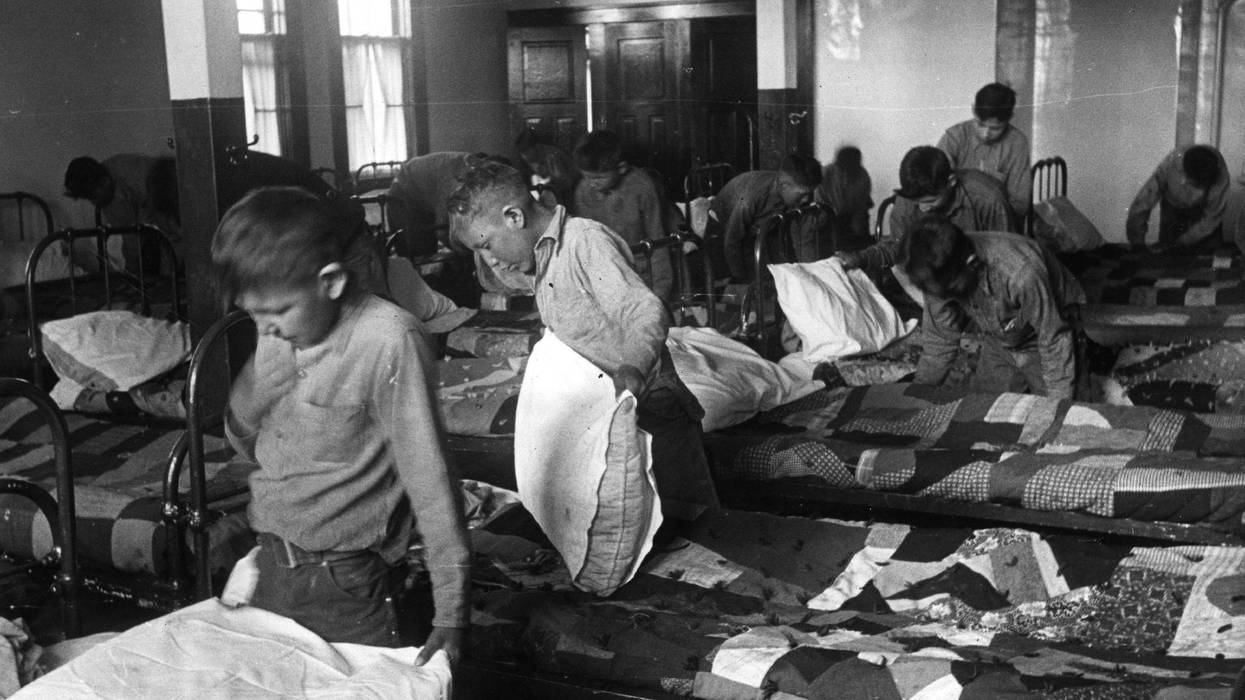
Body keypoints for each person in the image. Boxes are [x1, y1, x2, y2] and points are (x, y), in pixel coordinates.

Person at [212, 187, 470, 662]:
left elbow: (432, 482)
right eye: (252, 314)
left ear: (329, 282)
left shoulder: (388, 339)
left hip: (346, 582)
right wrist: (250, 395)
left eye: (273, 313)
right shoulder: (280, 327)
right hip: (270, 565)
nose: (263, 327)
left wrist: (450, 614)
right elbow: (250, 449)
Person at [446, 160, 719, 520]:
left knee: (698, 522)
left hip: (652, 407)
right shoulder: (542, 256)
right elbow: (507, 281)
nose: (490, 259)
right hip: (608, 409)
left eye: (487, 245)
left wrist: (632, 368)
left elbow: (644, 310)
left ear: (514, 217)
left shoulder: (584, 241)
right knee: (638, 529)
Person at [901, 215, 1084, 399]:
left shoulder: (1021, 273)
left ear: (972, 264)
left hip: (1054, 328)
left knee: (1064, 413)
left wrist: (1057, 406)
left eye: (950, 291)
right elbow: (939, 340)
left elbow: (1054, 339)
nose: (943, 298)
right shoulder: (934, 270)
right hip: (1001, 337)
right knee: (982, 411)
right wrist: (918, 395)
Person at [838, 145, 1016, 273]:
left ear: (951, 182)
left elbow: (1006, 257)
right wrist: (861, 258)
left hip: (982, 272)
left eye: (931, 201)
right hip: (936, 276)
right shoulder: (906, 201)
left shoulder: (987, 199)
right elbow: (899, 248)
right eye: (917, 202)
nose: (923, 209)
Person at [571, 129, 674, 301]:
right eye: (587, 177)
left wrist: (660, 294)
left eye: (600, 178)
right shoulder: (583, 190)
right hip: (602, 272)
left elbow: (658, 241)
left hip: (639, 272)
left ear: (622, 168)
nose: (592, 184)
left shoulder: (642, 187)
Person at [710, 154, 823, 280]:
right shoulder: (751, 198)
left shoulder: (793, 195)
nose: (807, 199)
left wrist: (811, 273)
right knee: (734, 279)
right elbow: (731, 240)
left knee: (775, 274)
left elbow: (801, 237)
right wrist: (740, 280)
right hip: (721, 228)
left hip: (756, 227)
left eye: (810, 193)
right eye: (802, 194)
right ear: (784, 185)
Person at [63, 154, 181, 271]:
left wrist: (131, 270)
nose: (94, 203)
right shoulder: (113, 174)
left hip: (169, 189)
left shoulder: (125, 183)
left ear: (105, 182)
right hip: (171, 181)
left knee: (171, 242)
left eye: (92, 197)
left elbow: (132, 240)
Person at [937, 82, 1031, 220]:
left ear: (1009, 118)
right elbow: (936, 185)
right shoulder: (955, 136)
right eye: (980, 124)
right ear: (974, 110)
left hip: (999, 220)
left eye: (995, 128)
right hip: (956, 218)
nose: (985, 133)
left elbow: (1020, 204)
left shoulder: (1017, 143)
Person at [1126, 144, 1231, 250]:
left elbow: (1211, 219)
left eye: (1195, 185)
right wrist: (1137, 242)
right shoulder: (1171, 163)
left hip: (1203, 211)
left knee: (1209, 255)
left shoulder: (1221, 177)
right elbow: (1143, 201)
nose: (1185, 183)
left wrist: (1182, 242)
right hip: (1172, 206)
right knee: (1166, 255)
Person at [385, 151, 484, 257]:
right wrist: (464, 253)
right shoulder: (454, 180)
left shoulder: (471, 166)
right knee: (415, 256)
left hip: (418, 194)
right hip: (402, 194)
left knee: (428, 250)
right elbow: (441, 230)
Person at [815, 145, 874, 253]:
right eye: (842, 171)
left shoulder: (862, 175)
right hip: (827, 220)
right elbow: (819, 205)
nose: (845, 176)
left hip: (853, 220)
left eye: (850, 172)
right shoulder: (825, 173)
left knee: (862, 245)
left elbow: (861, 209)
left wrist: (860, 237)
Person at [515, 128, 580, 209]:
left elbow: (564, 182)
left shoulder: (551, 156)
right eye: (522, 153)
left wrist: (546, 183)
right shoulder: (528, 160)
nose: (524, 157)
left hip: (571, 190)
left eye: (526, 152)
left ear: (537, 146)